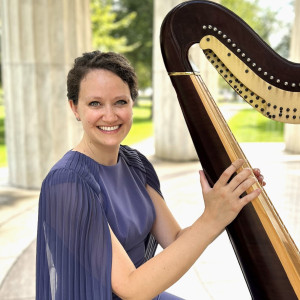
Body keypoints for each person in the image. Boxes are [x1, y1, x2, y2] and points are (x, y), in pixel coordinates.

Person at [36, 51, 265, 300]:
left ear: (132, 104)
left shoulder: (135, 164)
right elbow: (131, 288)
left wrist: (227, 203)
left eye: (120, 102)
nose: (110, 115)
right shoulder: (67, 183)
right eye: (95, 103)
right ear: (75, 108)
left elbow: (176, 240)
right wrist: (211, 219)